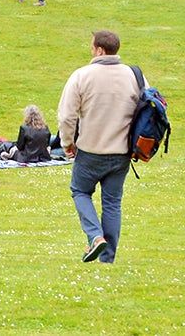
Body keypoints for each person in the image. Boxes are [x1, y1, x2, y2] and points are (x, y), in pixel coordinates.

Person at [58, 29, 145, 263]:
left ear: (99, 49)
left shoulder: (82, 75)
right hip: (122, 152)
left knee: (80, 191)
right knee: (112, 203)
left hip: (90, 150)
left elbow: (67, 116)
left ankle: (95, 237)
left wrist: (68, 144)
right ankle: (108, 258)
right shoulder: (135, 76)